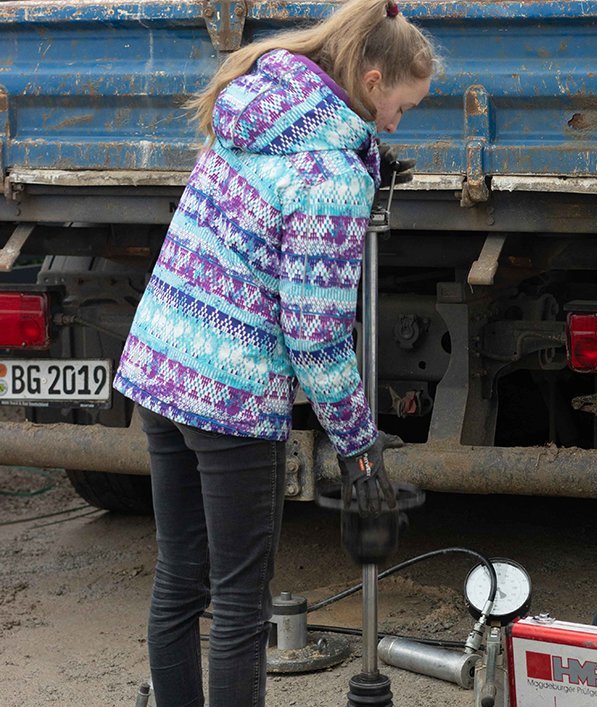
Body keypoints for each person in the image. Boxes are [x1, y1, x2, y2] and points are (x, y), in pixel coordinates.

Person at [111, 1, 435, 704]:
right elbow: (315, 336)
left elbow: (280, 188)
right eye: (401, 109)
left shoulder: (261, 104)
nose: (396, 123)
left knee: (179, 580)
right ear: (373, 80)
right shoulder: (332, 179)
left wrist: (367, 154)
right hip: (231, 393)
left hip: (162, 370)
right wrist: (360, 450)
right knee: (237, 605)